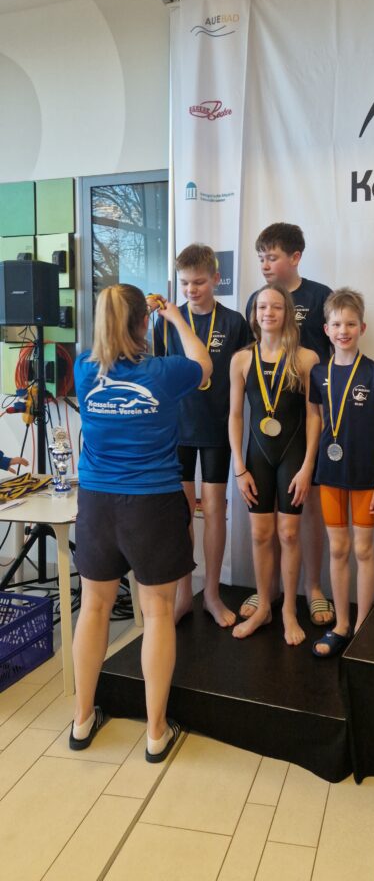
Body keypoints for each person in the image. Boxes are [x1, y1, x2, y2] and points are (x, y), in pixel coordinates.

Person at [71, 284, 212, 761]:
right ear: (141, 322)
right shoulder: (164, 372)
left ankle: (81, 720)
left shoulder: (84, 369)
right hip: (152, 505)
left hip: (96, 504)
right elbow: (203, 363)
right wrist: (176, 318)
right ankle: (155, 733)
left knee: (93, 608)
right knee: (156, 614)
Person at [152, 244, 250, 626]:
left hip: (216, 428)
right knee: (181, 514)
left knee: (213, 510)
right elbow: (157, 374)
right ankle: (183, 595)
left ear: (216, 279)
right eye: (185, 283)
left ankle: (211, 593)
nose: (191, 289)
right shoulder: (167, 321)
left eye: (199, 282)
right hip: (176, 429)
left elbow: (243, 378)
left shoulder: (234, 322)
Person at [244, 222, 334, 627]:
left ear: (295, 258)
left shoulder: (319, 296)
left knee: (306, 509)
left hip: (309, 418)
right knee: (269, 522)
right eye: (261, 258)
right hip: (269, 419)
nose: (265, 265)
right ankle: (268, 591)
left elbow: (335, 356)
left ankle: (312, 587)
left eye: (272, 257)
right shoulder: (257, 299)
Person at [229, 284, 320, 645]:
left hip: (293, 456)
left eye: (276, 307)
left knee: (289, 534)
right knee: (260, 534)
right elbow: (236, 416)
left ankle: (289, 611)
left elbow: (314, 416)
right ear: (254, 314)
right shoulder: (241, 360)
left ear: (288, 313)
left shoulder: (306, 359)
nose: (269, 312)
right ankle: (264, 605)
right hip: (257, 458)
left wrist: (308, 465)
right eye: (262, 307)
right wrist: (239, 467)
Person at [308, 288, 374, 658]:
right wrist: (308, 467)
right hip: (330, 475)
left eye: (350, 324)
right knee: (339, 548)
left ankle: (362, 624)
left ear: (362, 327)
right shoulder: (318, 373)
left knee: (363, 549)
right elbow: (314, 421)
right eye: (337, 324)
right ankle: (341, 624)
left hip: (364, 477)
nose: (343, 330)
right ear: (326, 329)